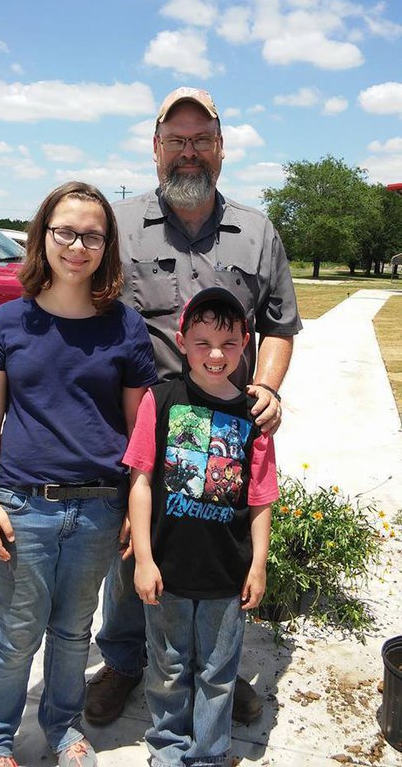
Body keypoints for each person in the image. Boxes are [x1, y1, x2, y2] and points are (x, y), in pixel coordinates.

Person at [0, 86, 302, 727]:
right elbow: (63, 272)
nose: (188, 152)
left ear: (221, 149)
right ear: (155, 150)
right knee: (131, 549)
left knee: (221, 543)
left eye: (201, 139)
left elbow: (280, 325)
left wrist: (270, 387)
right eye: (175, 140)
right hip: (141, 421)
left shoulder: (259, 232)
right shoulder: (119, 225)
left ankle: (216, 669)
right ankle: (123, 660)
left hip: (224, 427)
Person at [0, 181, 157, 767]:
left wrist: (132, 504)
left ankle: (61, 726)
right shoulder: (5, 324)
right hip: (23, 505)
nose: (78, 245)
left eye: (92, 235)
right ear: (42, 236)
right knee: (17, 632)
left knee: (75, 632)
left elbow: (138, 429)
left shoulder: (124, 328)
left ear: (107, 245)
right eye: (65, 232)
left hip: (99, 507)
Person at [124, 287, 279, 767]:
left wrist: (258, 564)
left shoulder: (254, 416)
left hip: (225, 574)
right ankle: (168, 750)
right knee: (168, 668)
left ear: (246, 344)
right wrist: (145, 559)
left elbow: (260, 496)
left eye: (229, 343)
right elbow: (142, 480)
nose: (216, 354)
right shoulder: (160, 399)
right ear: (181, 340)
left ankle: (210, 754)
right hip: (167, 568)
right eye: (202, 342)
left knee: (217, 672)